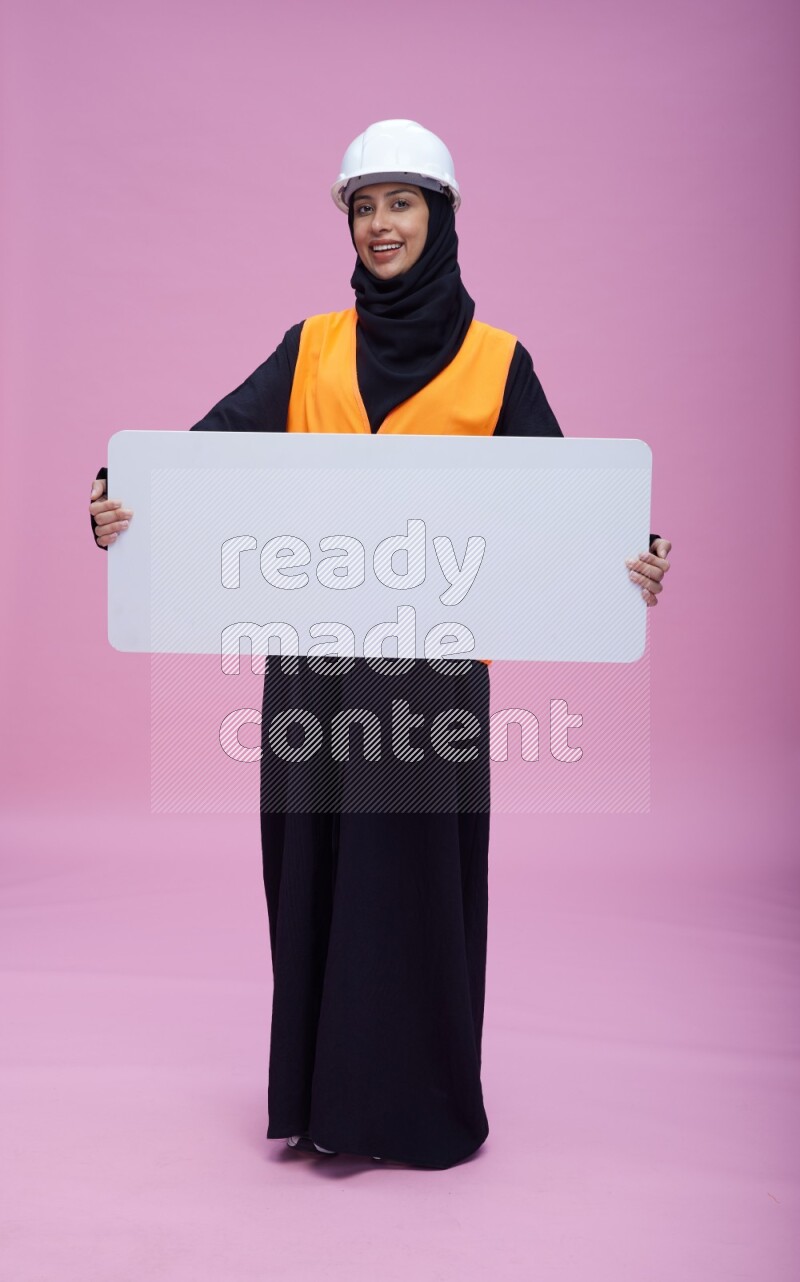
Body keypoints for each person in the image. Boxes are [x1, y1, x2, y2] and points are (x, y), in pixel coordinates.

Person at [89, 120, 672, 1168]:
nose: (379, 224)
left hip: (430, 684)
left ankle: (411, 1109)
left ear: (440, 216)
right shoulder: (308, 348)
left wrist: (631, 560)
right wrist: (119, 502)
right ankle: (323, 1105)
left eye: (400, 202)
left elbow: (568, 512)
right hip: (311, 675)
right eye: (363, 206)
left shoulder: (499, 364)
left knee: (410, 890)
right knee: (314, 876)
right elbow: (200, 458)